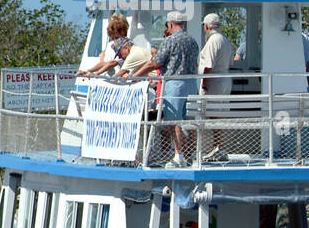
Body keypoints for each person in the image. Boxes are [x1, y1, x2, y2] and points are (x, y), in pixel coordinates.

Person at [133, 10, 199, 166]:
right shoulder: (192, 41)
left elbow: (154, 63)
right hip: (191, 83)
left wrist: (135, 75)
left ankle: (178, 155)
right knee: (189, 120)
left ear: (170, 24)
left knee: (173, 121)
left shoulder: (169, 41)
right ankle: (192, 154)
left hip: (174, 84)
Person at [198, 12, 234, 162]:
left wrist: (204, 85)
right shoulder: (226, 40)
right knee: (220, 114)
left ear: (207, 26)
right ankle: (220, 148)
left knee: (215, 115)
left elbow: (208, 66)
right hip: (225, 79)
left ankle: (218, 148)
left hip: (215, 82)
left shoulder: (213, 40)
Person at [77, 13, 132, 78]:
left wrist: (96, 73)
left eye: (117, 38)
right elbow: (105, 63)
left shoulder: (128, 45)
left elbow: (113, 63)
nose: (115, 41)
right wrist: (87, 71)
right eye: (112, 38)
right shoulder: (111, 45)